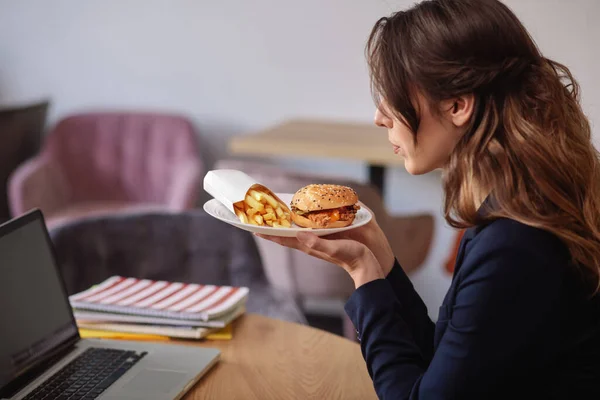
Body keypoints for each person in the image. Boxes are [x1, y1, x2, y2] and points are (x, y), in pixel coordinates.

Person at [257, 0, 600, 398]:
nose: (380, 116)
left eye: (393, 94)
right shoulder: (516, 207)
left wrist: (362, 274)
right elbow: (445, 367)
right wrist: (379, 258)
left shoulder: (516, 241)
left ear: (458, 105)